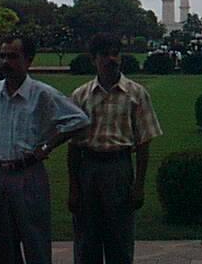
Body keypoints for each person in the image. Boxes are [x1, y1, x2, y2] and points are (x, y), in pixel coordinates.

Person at [0, 35, 90, 264]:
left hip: (29, 174)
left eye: (13, 57)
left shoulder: (42, 94)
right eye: (2, 56)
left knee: (35, 241)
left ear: (29, 60)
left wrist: (48, 145)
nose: (6, 62)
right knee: (1, 244)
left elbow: (79, 120)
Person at [69, 33, 162, 264]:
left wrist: (138, 186)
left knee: (120, 241)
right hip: (88, 167)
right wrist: (74, 187)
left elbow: (144, 144)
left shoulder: (136, 94)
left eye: (115, 54)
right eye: (105, 54)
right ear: (94, 59)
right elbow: (73, 147)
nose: (111, 59)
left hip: (119, 168)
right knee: (86, 241)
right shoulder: (81, 96)